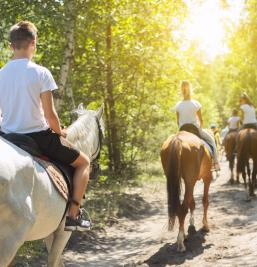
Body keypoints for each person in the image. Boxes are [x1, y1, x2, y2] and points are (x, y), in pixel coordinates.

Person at [0, 21, 90, 231]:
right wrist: (61, 132)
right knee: (84, 163)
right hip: (38, 136)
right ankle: (73, 216)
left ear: (11, 45)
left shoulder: (0, 74)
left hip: (7, 137)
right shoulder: (40, 73)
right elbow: (50, 115)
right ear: (34, 43)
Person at [175, 81, 220, 170]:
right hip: (195, 129)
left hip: (182, 130)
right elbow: (201, 120)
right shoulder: (196, 103)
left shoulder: (178, 105)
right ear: (190, 90)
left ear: (181, 90)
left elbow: (177, 121)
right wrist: (200, 128)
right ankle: (215, 163)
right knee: (211, 141)